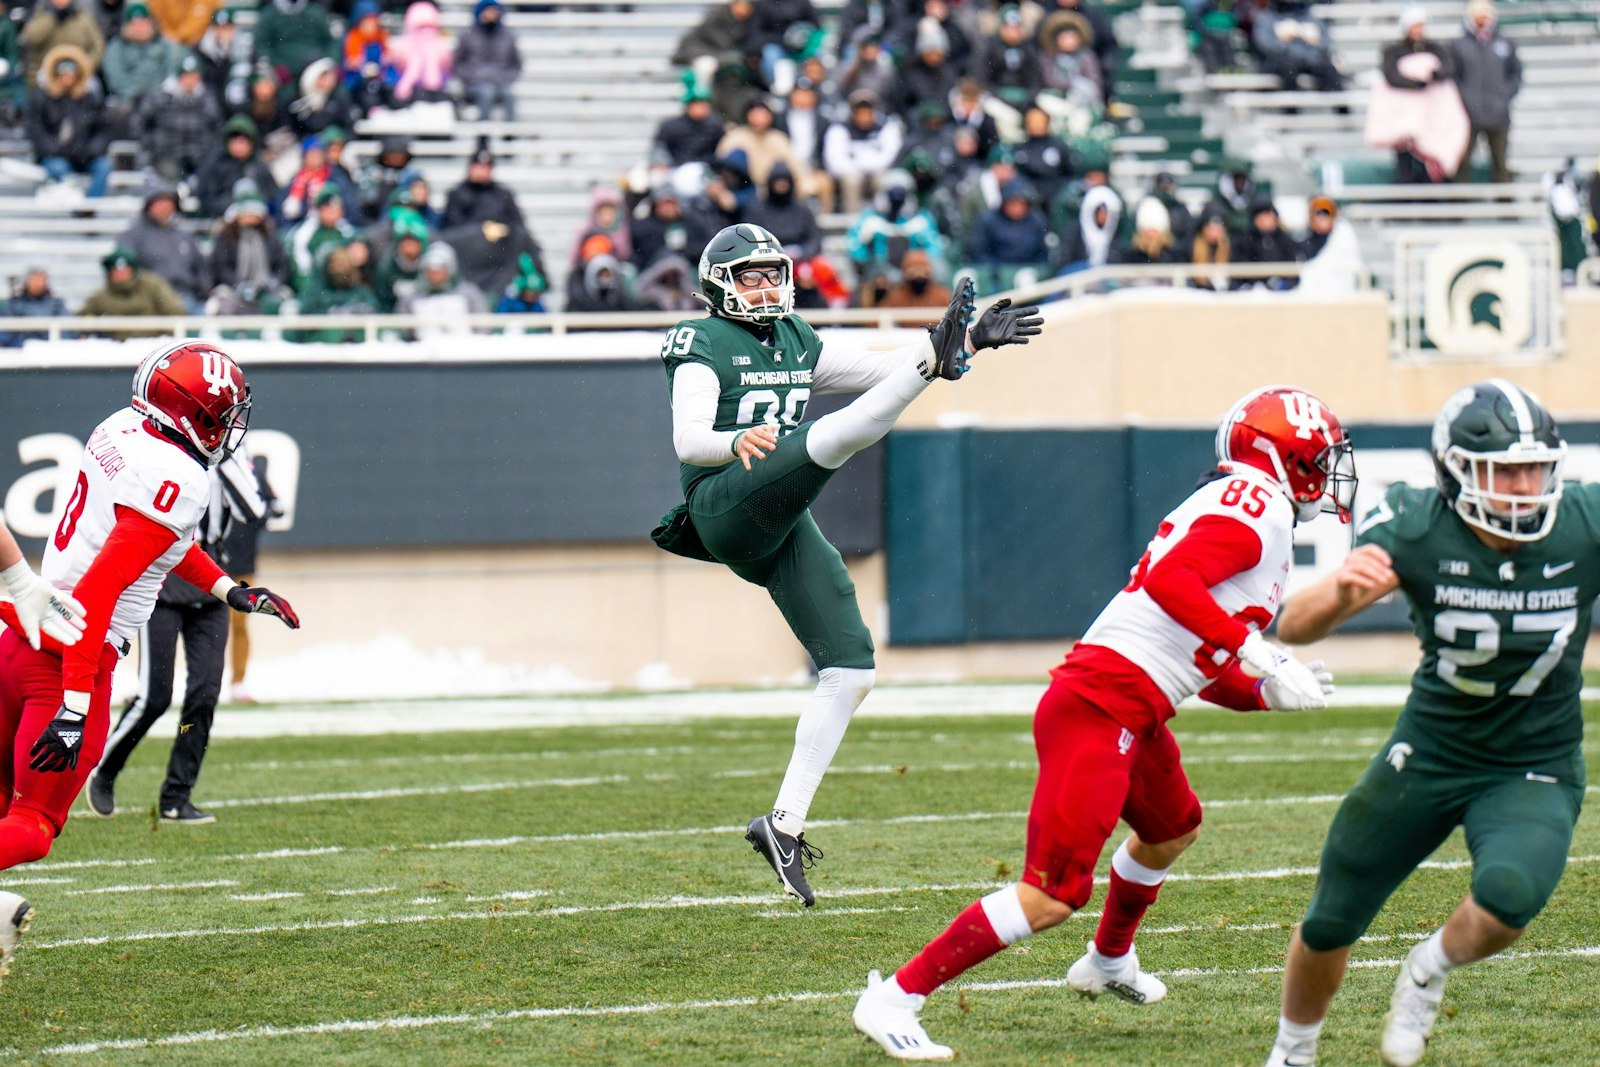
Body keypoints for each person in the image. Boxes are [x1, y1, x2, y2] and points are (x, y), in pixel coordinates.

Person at [852, 386, 1355, 1060]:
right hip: (1099, 702)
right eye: (1319, 458)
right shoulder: (1257, 505)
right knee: (1051, 893)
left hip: (1134, 703)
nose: (1329, 472)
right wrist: (1256, 649)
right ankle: (896, 996)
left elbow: (1193, 656)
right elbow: (1172, 583)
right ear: (1284, 458)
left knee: (1172, 828)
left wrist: (1263, 689)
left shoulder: (1251, 507)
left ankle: (1108, 959)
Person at [652, 223, 1042, 907]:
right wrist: (734, 438)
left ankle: (783, 824)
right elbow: (687, 436)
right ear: (720, 284)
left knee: (853, 668)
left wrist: (970, 340)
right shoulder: (702, 342)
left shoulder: (799, 339)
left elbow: (878, 368)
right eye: (752, 275)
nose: (768, 286)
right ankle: (940, 363)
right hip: (722, 502)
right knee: (836, 435)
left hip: (781, 518)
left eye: (774, 272)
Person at [1264, 380, 1587, 1067]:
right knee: (1332, 914)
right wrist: (1344, 590)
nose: (1525, 486)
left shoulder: (1583, 523)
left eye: (1535, 467)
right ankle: (1292, 1052)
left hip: (1535, 760)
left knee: (1509, 897)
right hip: (1433, 746)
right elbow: (1293, 624)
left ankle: (1427, 969)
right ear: (1457, 473)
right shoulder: (1414, 523)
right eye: (1505, 470)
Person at [0, 341, 299, 974]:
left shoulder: (125, 427)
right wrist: (78, 705)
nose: (230, 426)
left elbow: (156, 546)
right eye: (223, 413)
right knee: (31, 827)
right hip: (71, 660)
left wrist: (227, 589)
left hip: (18, 642)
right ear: (193, 416)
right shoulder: (180, 477)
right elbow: (100, 594)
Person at [87, 449, 271, 823]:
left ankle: (176, 795)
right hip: (164, 579)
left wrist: (226, 457)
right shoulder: (168, 450)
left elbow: (254, 508)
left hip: (213, 580)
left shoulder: (228, 456)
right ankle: (104, 768)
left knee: (204, 693)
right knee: (155, 696)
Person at [1451, 0, 1519, 183]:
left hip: (1498, 113)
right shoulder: (1459, 45)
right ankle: (1458, 205)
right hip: (1468, 114)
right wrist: (1465, 99)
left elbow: (1515, 73)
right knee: (1462, 162)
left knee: (1500, 162)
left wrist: (1504, 96)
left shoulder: (1505, 43)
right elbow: (1454, 77)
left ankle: (1505, 207)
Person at [454, 0, 519, 121]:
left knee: (508, 95)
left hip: (500, 82)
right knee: (486, 92)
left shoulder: (508, 36)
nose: (491, 14)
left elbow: (515, 64)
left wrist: (505, 78)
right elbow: (458, 63)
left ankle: (510, 133)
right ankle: (483, 134)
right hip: (474, 84)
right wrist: (471, 78)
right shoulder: (467, 35)